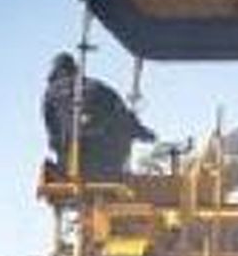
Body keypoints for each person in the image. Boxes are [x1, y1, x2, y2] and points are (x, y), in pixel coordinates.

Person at [41, 52, 155, 182]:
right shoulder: (100, 88)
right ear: (76, 70)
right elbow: (127, 120)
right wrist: (144, 133)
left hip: (74, 167)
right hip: (111, 166)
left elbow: (52, 133)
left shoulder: (50, 94)